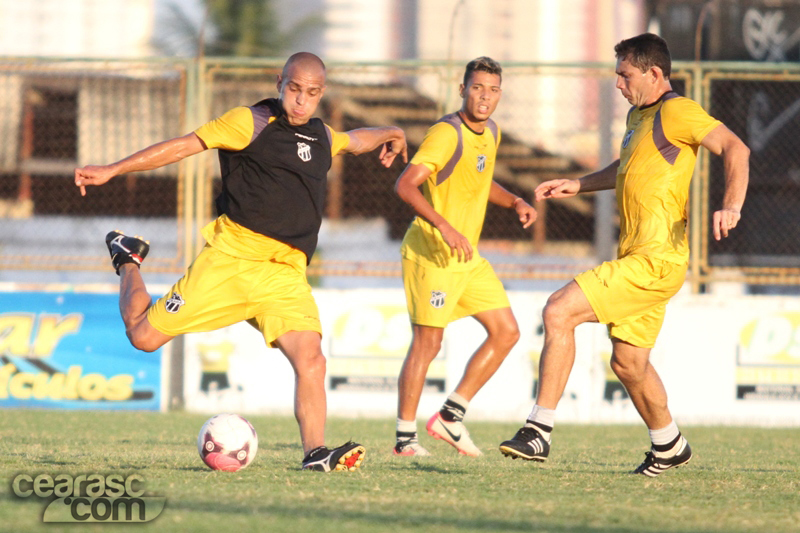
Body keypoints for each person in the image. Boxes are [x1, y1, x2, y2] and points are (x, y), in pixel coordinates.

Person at [74, 52, 408, 473]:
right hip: (230, 261)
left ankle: (315, 453)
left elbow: (355, 139)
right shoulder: (249, 122)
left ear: (321, 94)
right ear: (279, 82)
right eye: (294, 89)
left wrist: (391, 131)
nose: (302, 100)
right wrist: (113, 169)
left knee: (312, 358)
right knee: (142, 337)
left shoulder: (322, 135)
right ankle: (128, 259)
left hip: (284, 273)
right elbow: (182, 146)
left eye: (313, 93)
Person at [499, 33, 749, 476]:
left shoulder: (677, 110)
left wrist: (731, 205)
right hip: (642, 256)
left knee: (559, 311)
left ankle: (539, 431)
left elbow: (736, 148)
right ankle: (669, 445)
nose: (618, 84)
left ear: (654, 74)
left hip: (655, 260)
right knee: (628, 363)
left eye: (624, 74)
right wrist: (579, 184)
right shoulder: (641, 115)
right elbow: (627, 169)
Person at [392, 57, 537, 457]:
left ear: (500, 94)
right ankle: (405, 440)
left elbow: (481, 180)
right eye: (477, 88)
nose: (484, 97)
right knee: (428, 343)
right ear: (462, 90)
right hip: (433, 254)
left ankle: (451, 417)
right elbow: (405, 185)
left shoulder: (491, 132)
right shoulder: (446, 133)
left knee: (506, 331)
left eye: (492, 90)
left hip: (467, 258)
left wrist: (516, 201)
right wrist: (445, 226)